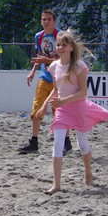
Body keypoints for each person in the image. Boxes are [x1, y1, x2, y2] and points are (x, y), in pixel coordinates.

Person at [38, 29, 108, 195]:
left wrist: (63, 101)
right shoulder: (54, 66)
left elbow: (83, 92)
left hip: (78, 108)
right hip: (62, 110)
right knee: (58, 144)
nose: (60, 48)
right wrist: (44, 105)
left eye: (64, 45)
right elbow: (55, 90)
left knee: (82, 144)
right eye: (58, 45)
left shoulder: (79, 66)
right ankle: (56, 184)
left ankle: (88, 172)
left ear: (71, 47)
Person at [19, 10, 72, 155]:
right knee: (37, 107)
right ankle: (34, 141)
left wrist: (45, 60)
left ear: (54, 21)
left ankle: (66, 142)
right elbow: (39, 56)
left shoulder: (60, 36)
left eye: (49, 19)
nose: (46, 22)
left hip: (60, 78)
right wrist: (33, 71)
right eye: (44, 19)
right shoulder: (39, 36)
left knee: (60, 111)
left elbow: (65, 58)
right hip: (45, 76)